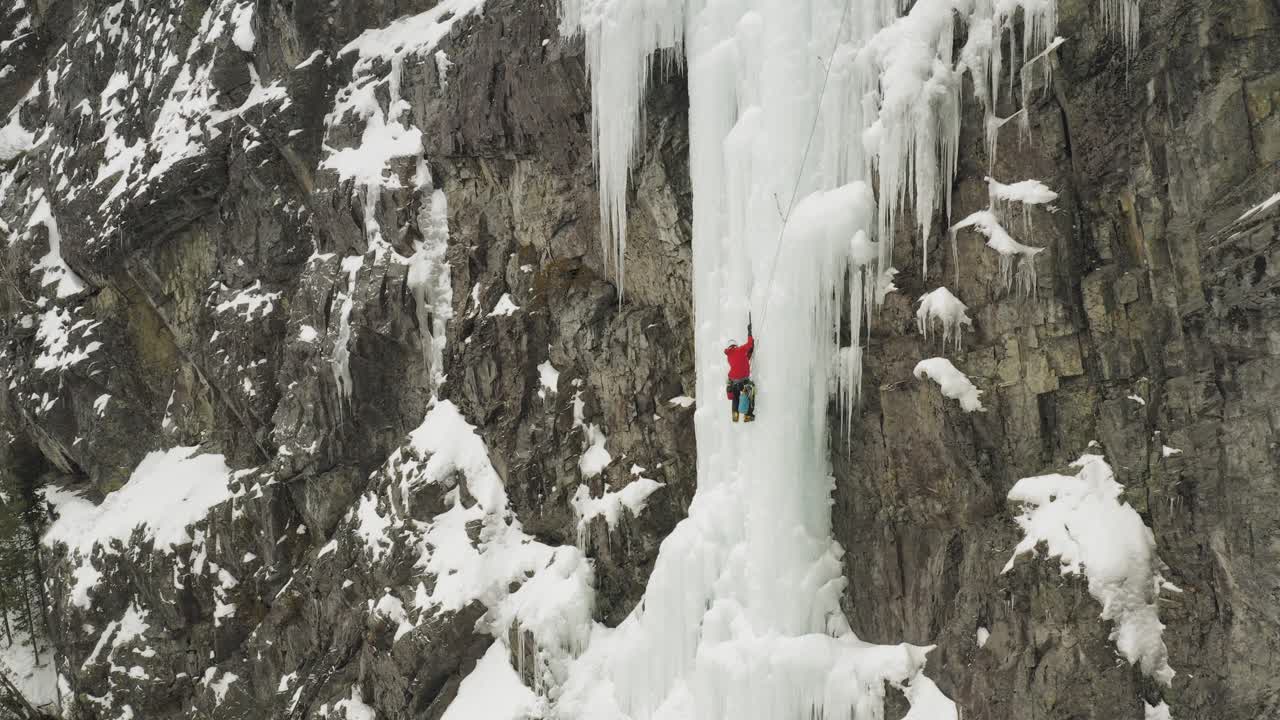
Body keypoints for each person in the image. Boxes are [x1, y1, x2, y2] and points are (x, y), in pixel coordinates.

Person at [724, 322, 755, 422]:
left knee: (735, 397)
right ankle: (748, 416)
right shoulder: (741, 349)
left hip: (733, 381)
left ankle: (735, 416)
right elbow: (750, 345)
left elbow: (740, 362)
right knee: (750, 391)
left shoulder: (729, 356)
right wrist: (749, 333)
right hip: (744, 380)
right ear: (735, 345)